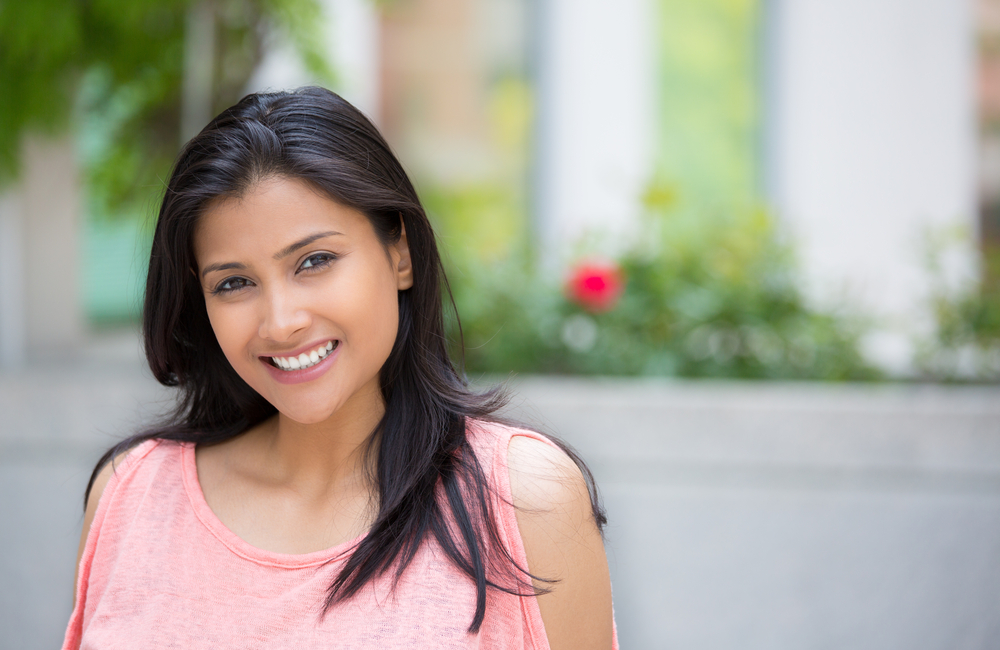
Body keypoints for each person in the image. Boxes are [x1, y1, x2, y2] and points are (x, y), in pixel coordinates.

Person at [63, 86, 616, 649]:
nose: (280, 323)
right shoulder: (131, 494)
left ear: (398, 252)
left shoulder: (522, 500)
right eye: (234, 282)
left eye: (315, 261)